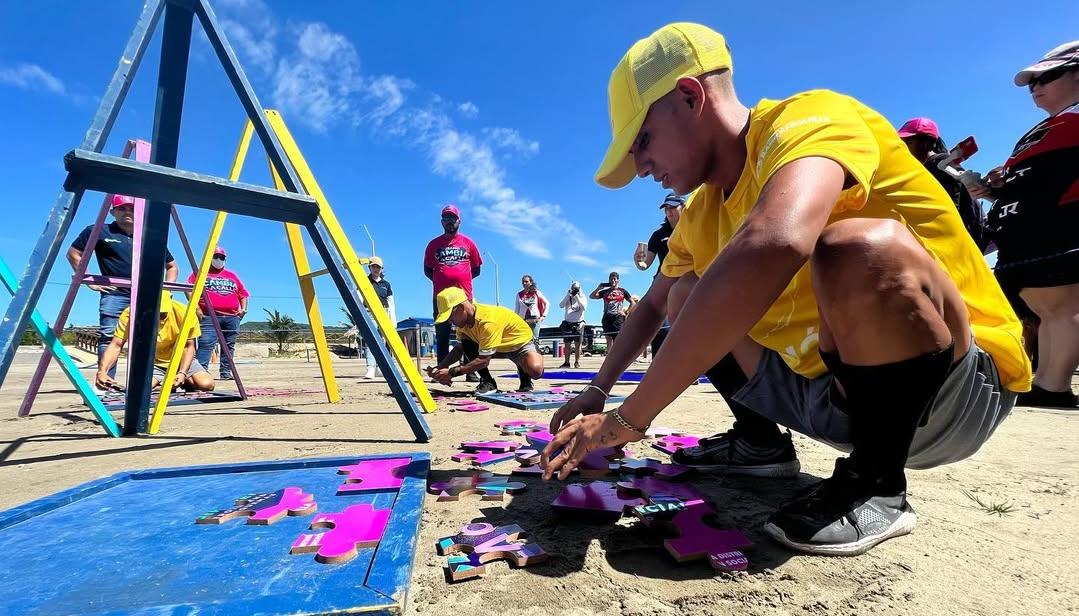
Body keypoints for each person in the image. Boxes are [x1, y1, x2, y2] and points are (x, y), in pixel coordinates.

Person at [542, 23, 1030, 557]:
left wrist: (628, 419)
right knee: (684, 293)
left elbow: (776, 239)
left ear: (689, 95)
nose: (640, 167)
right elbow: (653, 304)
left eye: (642, 141)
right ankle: (759, 445)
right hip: (828, 396)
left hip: (950, 395)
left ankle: (877, 483)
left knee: (858, 247)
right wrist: (598, 389)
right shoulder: (700, 212)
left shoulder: (809, 119)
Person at [972, 41, 1079, 409]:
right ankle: (1047, 381)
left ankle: (1054, 384)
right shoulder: (1042, 129)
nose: (1036, 87)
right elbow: (1027, 182)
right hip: (1027, 239)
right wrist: (989, 189)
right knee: (1050, 310)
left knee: (1062, 308)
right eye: (1033, 81)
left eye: (1048, 76)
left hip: (1062, 231)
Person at [68, 194, 179, 378]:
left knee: (148, 337)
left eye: (131, 208)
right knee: (110, 336)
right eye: (122, 208)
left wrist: (166, 290)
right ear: (112, 212)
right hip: (115, 293)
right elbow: (73, 253)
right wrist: (88, 279)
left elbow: (172, 265)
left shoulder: (148, 236)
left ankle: (144, 382)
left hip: (145, 295)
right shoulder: (98, 231)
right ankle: (106, 380)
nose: (127, 212)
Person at [426, 287, 544, 393]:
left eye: (450, 317)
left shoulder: (488, 321)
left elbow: (483, 360)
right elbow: (458, 350)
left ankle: (524, 370)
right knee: (466, 343)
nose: (449, 321)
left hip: (520, 345)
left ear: (461, 308)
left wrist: (452, 373)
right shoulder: (462, 324)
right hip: (497, 347)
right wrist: (440, 368)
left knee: (535, 370)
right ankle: (488, 382)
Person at [897, 118, 990, 252]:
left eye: (908, 143)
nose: (904, 149)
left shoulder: (938, 164)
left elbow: (951, 209)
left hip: (952, 245)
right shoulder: (932, 166)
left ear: (927, 143)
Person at [96, 290, 214, 393]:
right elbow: (116, 345)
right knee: (140, 391)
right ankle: (165, 383)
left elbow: (188, 347)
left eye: (163, 314)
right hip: (153, 364)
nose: (159, 317)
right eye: (156, 313)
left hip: (179, 361)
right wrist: (102, 371)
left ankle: (181, 381)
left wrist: (182, 372)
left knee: (206, 384)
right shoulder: (130, 314)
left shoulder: (184, 312)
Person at [424, 204, 483, 380]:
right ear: (442, 221)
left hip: (464, 297)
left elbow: (476, 269)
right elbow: (428, 270)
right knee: (442, 333)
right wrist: (443, 281)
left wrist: (460, 280)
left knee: (468, 334)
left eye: (453, 218)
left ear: (459, 221)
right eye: (446, 218)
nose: (450, 221)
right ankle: (441, 372)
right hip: (441, 298)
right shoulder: (433, 244)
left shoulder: (468, 243)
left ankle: (469, 370)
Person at [635, 192, 685, 356]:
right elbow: (645, 264)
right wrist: (638, 261)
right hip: (663, 282)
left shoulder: (694, 228)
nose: (669, 212)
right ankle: (658, 364)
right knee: (660, 327)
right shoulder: (658, 235)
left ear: (682, 206)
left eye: (673, 207)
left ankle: (689, 369)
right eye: (666, 209)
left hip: (689, 280)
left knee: (688, 325)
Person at [188, 246, 249, 380]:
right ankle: (201, 373)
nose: (218, 259)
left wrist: (243, 309)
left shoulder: (232, 276)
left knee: (229, 346)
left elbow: (243, 294)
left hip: (232, 317)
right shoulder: (200, 273)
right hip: (209, 316)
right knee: (206, 344)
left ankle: (226, 372)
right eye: (216, 256)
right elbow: (189, 289)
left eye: (221, 257)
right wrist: (196, 307)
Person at [363, 256, 396, 379]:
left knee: (382, 341)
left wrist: (393, 320)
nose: (376, 269)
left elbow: (391, 302)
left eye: (378, 267)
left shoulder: (386, 285)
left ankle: (380, 367)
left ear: (382, 269)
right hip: (369, 312)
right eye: (373, 266)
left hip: (384, 313)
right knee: (371, 340)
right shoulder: (364, 281)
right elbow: (360, 297)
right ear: (370, 267)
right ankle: (370, 368)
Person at [590, 271, 635, 348]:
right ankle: (609, 358)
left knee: (618, 340)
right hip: (607, 317)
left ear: (618, 280)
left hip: (618, 318)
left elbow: (633, 302)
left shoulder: (623, 291)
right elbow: (592, 296)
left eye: (614, 279)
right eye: (611, 279)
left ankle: (618, 358)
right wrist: (598, 288)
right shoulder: (605, 291)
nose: (613, 281)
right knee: (609, 341)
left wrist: (626, 312)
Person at [558, 281, 588, 368]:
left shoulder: (583, 297)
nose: (575, 290)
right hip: (568, 323)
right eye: (573, 288)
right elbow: (561, 305)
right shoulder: (568, 297)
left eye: (576, 289)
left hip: (579, 323)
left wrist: (577, 297)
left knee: (578, 344)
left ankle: (577, 362)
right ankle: (566, 362)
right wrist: (568, 295)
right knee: (567, 344)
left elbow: (584, 307)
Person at [514, 274, 549, 341]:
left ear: (531, 282)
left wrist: (543, 316)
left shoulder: (536, 292)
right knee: (524, 341)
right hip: (523, 321)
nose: (524, 283)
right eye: (523, 282)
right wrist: (516, 321)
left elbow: (547, 303)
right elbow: (517, 309)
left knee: (535, 341)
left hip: (535, 320)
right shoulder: (519, 294)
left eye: (526, 281)